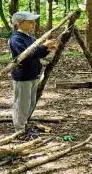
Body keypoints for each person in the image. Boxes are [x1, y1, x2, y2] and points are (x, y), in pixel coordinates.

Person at [9, 11, 58, 139]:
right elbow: (24, 57)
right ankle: (19, 131)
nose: (33, 24)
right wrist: (43, 47)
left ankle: (24, 127)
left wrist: (47, 49)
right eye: (30, 22)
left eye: (33, 22)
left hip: (32, 75)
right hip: (22, 76)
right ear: (19, 24)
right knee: (22, 104)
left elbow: (36, 54)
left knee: (30, 103)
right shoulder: (16, 39)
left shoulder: (29, 38)